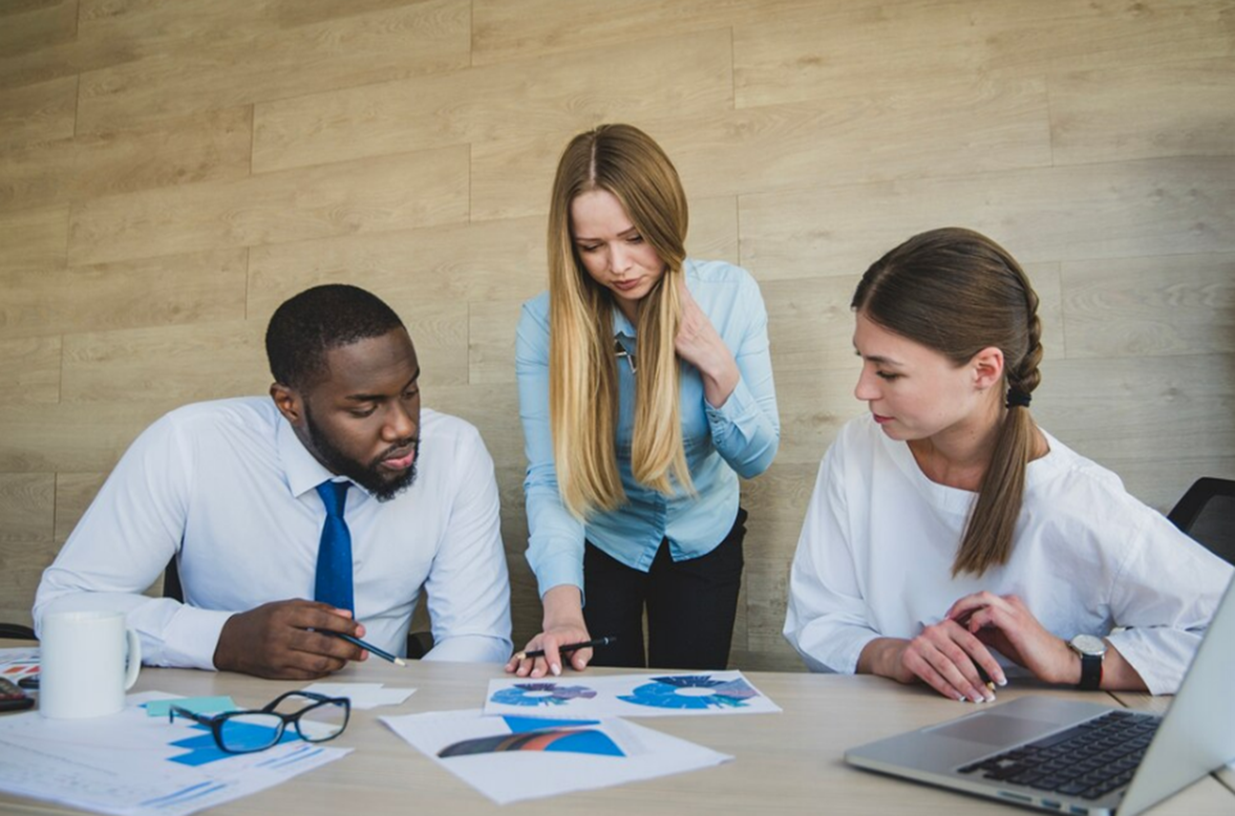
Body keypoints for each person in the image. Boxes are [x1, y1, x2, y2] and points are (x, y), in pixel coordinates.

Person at [783, 227, 1232, 702]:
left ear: (984, 370)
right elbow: (820, 619)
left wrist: (1073, 661)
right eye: (863, 362)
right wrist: (893, 655)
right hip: (875, 736)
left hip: (1032, 755)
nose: (863, 389)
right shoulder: (858, 449)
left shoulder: (1080, 502)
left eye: (887, 372)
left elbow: (1224, 634)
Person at [35, 284, 512, 679]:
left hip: (384, 718)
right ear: (289, 404)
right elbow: (62, 606)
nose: (403, 426)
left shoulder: (455, 452)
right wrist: (223, 639)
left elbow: (477, 637)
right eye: (365, 408)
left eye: (410, 392)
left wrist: (413, 713)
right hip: (226, 717)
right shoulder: (189, 443)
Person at [508, 123, 779, 678]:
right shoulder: (543, 324)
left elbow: (756, 458)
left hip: (705, 533)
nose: (618, 265)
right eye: (592, 247)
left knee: (690, 705)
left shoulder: (730, 294)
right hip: (603, 539)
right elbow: (551, 477)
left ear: (667, 219)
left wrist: (716, 363)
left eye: (635, 238)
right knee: (602, 702)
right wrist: (562, 607)